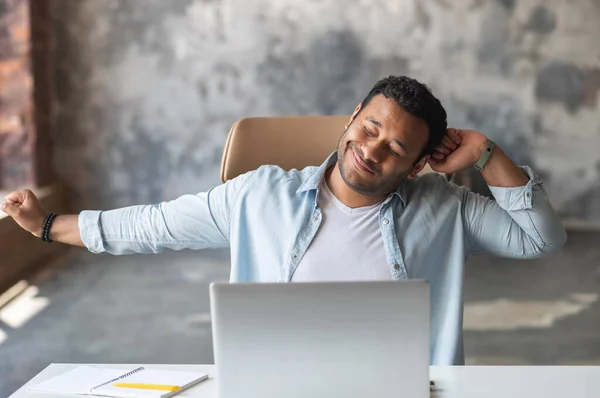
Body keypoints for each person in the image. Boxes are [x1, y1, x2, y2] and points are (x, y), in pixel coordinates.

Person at [1, 76, 566, 365]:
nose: (373, 150)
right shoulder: (259, 195)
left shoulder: (446, 207)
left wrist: (489, 153)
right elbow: (154, 225)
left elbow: (541, 239)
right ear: (351, 120)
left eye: (396, 147)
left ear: (418, 163)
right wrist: (49, 225)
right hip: (276, 385)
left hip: (408, 388)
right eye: (369, 128)